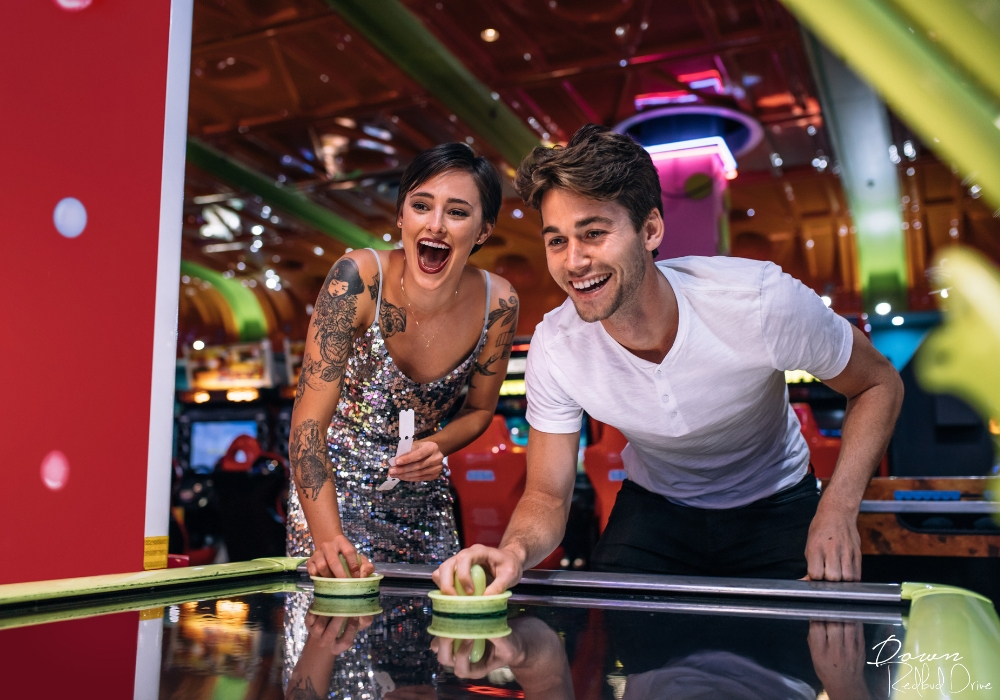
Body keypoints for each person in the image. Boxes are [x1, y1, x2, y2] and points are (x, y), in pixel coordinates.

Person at [434, 124, 903, 594]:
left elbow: (878, 384)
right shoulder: (555, 346)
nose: (573, 262)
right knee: (624, 649)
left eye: (593, 233)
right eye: (557, 241)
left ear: (651, 230)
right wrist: (512, 551)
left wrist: (839, 509)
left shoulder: (759, 301)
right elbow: (546, 494)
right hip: (655, 508)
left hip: (777, 501)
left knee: (808, 655)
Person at [287, 142, 519, 578]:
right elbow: (306, 427)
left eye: (457, 212)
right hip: (332, 503)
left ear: (483, 231)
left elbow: (480, 410)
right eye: (420, 205)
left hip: (425, 505)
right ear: (400, 216)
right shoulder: (356, 279)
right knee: (335, 635)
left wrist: (437, 446)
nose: (436, 225)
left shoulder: (499, 302)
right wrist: (327, 537)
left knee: (433, 638)